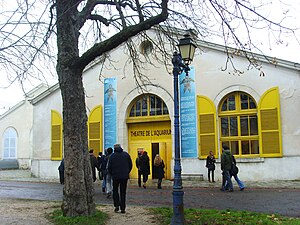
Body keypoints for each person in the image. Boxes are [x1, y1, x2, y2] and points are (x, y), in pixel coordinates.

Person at [108, 144, 132, 214]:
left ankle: (116, 205)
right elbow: (130, 165)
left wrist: (112, 173)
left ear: (114, 149)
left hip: (115, 176)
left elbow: (109, 167)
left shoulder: (112, 156)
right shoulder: (126, 155)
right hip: (124, 176)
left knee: (115, 190)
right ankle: (123, 208)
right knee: (123, 192)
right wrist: (127, 172)